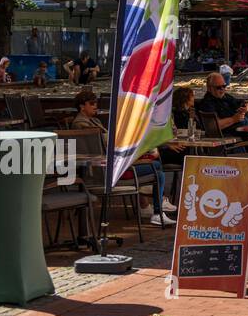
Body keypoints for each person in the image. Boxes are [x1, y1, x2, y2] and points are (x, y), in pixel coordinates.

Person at [73, 88, 176, 225]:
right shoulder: (81, 125)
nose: (95, 106)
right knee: (157, 168)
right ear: (81, 106)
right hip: (108, 171)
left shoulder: (94, 121)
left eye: (96, 102)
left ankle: (152, 209)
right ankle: (156, 210)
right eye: (91, 103)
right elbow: (106, 142)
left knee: (156, 166)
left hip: (114, 165)